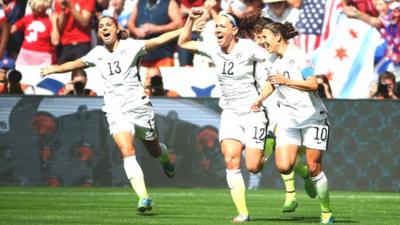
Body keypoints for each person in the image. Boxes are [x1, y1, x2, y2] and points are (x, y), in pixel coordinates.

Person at [40, 16, 180, 213]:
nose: (104, 28)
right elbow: (75, 63)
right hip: (115, 109)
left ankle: (165, 159)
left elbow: (158, 40)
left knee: (154, 150)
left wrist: (184, 28)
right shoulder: (97, 53)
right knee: (127, 151)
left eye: (108, 25)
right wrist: (54, 69)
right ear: (99, 33)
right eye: (101, 26)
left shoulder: (130, 46)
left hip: (138, 106)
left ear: (116, 29)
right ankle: (144, 198)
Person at [179, 8, 269, 223]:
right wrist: (190, 20)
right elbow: (183, 43)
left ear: (234, 31)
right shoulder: (212, 48)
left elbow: (273, 54)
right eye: (216, 26)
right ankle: (243, 213)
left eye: (222, 26)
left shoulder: (249, 49)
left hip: (253, 112)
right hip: (230, 113)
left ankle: (269, 146)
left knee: (253, 167)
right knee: (230, 160)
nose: (217, 29)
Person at [251, 21, 334, 224]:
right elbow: (272, 83)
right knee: (284, 165)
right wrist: (259, 99)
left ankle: (326, 212)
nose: (262, 42)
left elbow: (313, 84)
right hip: (288, 119)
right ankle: (303, 176)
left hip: (313, 118)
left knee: (314, 166)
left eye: (265, 37)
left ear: (278, 36)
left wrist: (287, 81)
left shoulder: (299, 56)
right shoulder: (271, 59)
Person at [127, 0, 182, 67]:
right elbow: (130, 23)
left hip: (163, 55)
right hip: (143, 55)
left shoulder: (169, 2)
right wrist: (136, 30)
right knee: (145, 77)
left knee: (162, 77)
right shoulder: (140, 2)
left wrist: (157, 28)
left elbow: (179, 23)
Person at [11, 0, 59, 66]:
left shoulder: (50, 20)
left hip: (43, 56)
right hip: (25, 54)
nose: (32, 10)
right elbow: (11, 29)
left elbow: (55, 41)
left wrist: (54, 22)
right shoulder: (27, 18)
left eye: (34, 8)